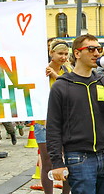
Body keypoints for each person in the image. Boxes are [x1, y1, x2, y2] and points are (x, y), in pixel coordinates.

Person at [46, 34, 104, 194]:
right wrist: (57, 162)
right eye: (91, 49)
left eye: (98, 49)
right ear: (77, 53)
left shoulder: (101, 80)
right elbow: (53, 127)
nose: (96, 53)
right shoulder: (62, 86)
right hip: (79, 157)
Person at [33, 40, 71, 194]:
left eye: (66, 54)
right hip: (44, 122)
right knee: (47, 161)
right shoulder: (42, 71)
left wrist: (56, 76)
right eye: (60, 53)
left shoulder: (67, 71)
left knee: (67, 161)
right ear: (51, 54)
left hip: (65, 122)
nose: (63, 57)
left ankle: (65, 193)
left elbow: (71, 91)